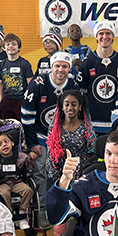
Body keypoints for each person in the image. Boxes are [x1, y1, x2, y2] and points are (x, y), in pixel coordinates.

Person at [21, 51, 78, 220]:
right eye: (57, 66)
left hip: (64, 137)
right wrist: (33, 144)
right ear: (51, 67)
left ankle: (66, 207)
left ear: (69, 68)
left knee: (67, 172)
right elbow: (26, 117)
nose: (61, 70)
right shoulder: (37, 84)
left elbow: (78, 115)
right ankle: (43, 210)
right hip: (41, 137)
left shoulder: (73, 84)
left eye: (65, 66)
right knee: (40, 172)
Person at [45, 90, 95, 236]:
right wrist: (56, 177)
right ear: (62, 106)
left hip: (82, 177)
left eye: (74, 104)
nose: (70, 107)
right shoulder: (55, 127)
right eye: (67, 104)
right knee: (61, 210)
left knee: (79, 212)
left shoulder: (86, 127)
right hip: (62, 175)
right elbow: (51, 152)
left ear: (80, 106)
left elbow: (91, 153)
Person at [76, 20, 118, 134]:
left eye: (108, 33)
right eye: (101, 33)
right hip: (92, 125)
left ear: (113, 36)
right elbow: (81, 96)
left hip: (116, 124)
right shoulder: (86, 63)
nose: (104, 37)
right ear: (96, 36)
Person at [0, 130, 37, 230]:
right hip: (2, 183)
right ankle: (7, 215)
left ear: (12, 143)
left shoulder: (21, 156)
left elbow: (30, 167)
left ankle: (22, 215)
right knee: (3, 194)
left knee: (28, 191)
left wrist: (32, 158)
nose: (4, 145)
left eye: (6, 141)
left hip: (16, 181)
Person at [0, 33, 33, 120]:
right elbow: (0, 84)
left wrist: (28, 101)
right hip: (7, 100)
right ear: (4, 48)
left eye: (14, 44)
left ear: (19, 47)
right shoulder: (2, 64)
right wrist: (1, 100)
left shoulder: (25, 64)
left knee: (22, 125)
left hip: (21, 100)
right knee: (7, 126)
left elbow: (30, 84)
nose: (11, 46)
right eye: (8, 44)